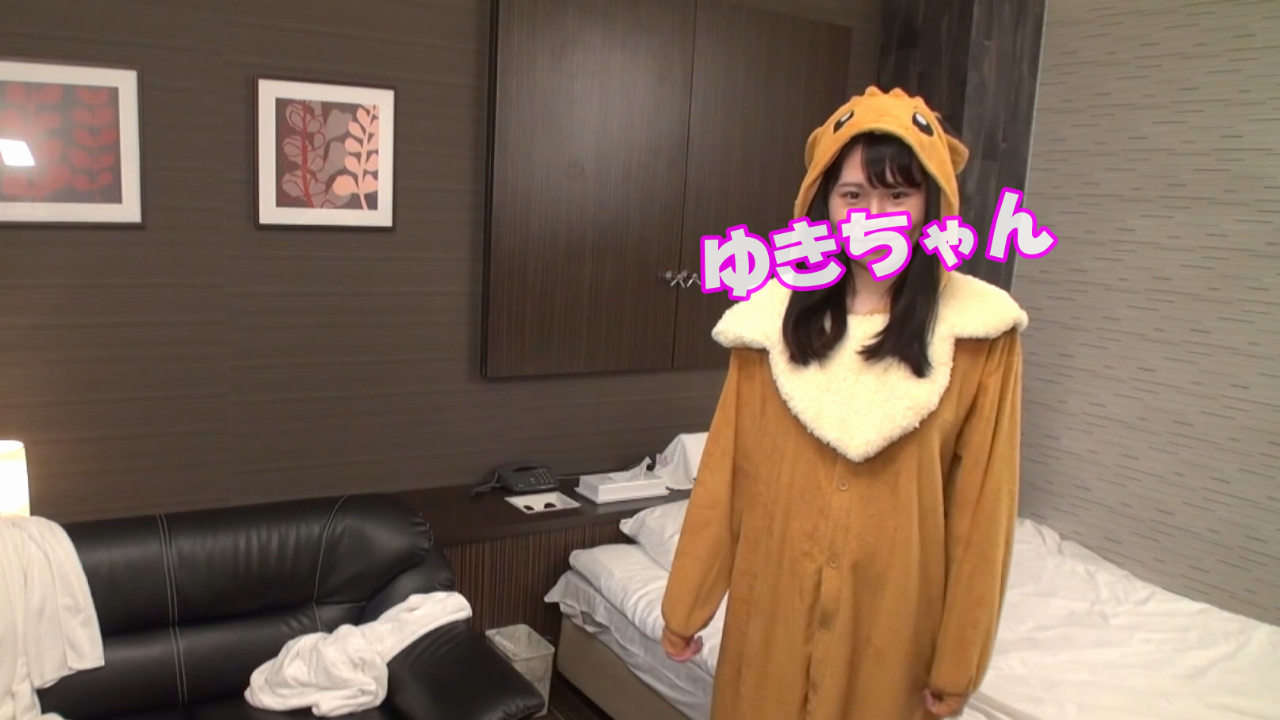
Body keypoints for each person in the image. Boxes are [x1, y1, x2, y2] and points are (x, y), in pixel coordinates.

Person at [659, 86, 1028, 720]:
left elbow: (981, 515)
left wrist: (959, 660)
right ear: (824, 203)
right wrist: (686, 605)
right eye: (853, 195)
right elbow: (727, 478)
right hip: (769, 622)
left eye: (898, 195)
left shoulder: (979, 335)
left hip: (893, 635)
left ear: (930, 204)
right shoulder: (767, 325)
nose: (874, 215)